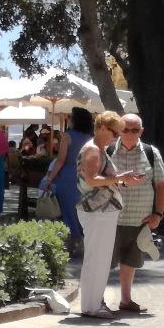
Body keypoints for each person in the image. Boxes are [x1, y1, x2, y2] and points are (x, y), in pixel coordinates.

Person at [75, 111, 145, 319]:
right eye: (115, 132)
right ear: (102, 128)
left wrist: (122, 180)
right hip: (97, 212)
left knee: (99, 259)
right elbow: (92, 179)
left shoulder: (98, 149)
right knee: (97, 259)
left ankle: (93, 304)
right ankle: (91, 306)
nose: (116, 137)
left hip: (101, 211)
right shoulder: (93, 150)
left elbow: (101, 179)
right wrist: (120, 178)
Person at [107, 114, 164, 314]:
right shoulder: (107, 151)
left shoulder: (151, 153)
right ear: (119, 130)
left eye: (135, 130)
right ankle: (97, 298)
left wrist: (158, 214)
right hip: (110, 217)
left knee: (130, 262)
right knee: (104, 261)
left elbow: (161, 185)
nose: (130, 133)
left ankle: (125, 300)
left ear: (141, 131)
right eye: (126, 129)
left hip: (139, 219)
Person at [42, 107, 95, 254]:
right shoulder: (91, 138)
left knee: (68, 209)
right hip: (85, 176)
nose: (69, 119)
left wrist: (50, 178)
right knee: (82, 208)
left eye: (71, 117)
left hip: (68, 176)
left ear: (75, 120)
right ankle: (83, 239)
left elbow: (60, 160)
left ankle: (73, 239)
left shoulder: (68, 136)